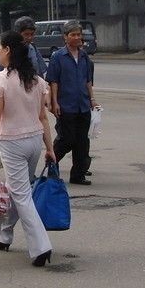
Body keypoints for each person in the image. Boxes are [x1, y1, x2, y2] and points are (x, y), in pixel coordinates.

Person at [0, 30, 56, 267]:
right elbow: (44, 118)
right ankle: (3, 236)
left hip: (12, 143)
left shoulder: (0, 81)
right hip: (34, 141)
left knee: (21, 195)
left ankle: (41, 246)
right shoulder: (37, 80)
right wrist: (49, 147)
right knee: (15, 190)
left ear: (7, 50)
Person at [46, 20, 96, 186]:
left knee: (82, 141)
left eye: (78, 34)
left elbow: (88, 80)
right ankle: (51, 165)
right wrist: (55, 103)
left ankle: (78, 175)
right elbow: (54, 82)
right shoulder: (58, 57)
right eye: (73, 35)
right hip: (66, 105)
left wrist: (92, 99)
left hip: (83, 104)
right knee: (66, 139)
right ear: (65, 37)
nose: (77, 37)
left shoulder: (84, 57)